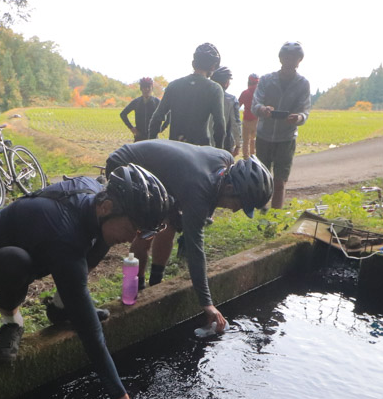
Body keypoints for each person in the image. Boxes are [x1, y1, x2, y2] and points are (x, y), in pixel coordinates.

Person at [0, 165, 171, 399]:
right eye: (134, 227)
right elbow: (90, 330)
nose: (134, 238)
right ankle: (11, 321)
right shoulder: (65, 232)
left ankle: (61, 309)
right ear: (107, 206)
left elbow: (101, 236)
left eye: (141, 232)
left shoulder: (98, 203)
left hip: (40, 244)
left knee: (102, 237)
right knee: (16, 263)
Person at [105, 142, 273, 332]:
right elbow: (195, 249)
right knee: (146, 228)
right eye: (240, 204)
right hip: (125, 163)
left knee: (169, 225)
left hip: (161, 174)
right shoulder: (199, 191)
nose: (235, 210)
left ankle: (155, 283)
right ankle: (138, 289)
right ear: (228, 188)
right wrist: (207, 303)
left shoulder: (225, 160)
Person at [252, 41, 312, 210]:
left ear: (300, 60)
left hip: (287, 137)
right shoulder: (266, 80)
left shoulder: (302, 83)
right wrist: (263, 109)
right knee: (262, 178)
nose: (289, 60)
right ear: (280, 58)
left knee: (280, 181)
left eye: (294, 57)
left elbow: (305, 110)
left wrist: (298, 117)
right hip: (264, 135)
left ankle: (275, 215)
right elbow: (255, 104)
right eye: (286, 56)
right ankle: (261, 209)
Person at [147, 42, 227, 146]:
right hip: (200, 151)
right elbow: (219, 125)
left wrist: (152, 145)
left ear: (193, 63)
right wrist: (219, 151)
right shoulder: (214, 89)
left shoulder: (173, 85)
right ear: (213, 67)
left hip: (175, 148)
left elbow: (157, 118)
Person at [119, 76, 166, 141]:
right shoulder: (136, 102)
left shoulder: (157, 102)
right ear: (141, 88)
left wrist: (161, 128)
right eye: (144, 87)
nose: (146, 89)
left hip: (153, 137)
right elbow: (123, 114)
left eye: (148, 87)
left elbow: (167, 115)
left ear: (151, 88)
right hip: (139, 137)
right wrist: (132, 128)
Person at [211, 66, 241, 154]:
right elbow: (236, 123)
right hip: (224, 143)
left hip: (203, 142)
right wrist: (238, 144)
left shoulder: (204, 95)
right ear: (226, 83)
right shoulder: (231, 100)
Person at [238, 73, 260, 159]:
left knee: (246, 141)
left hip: (246, 119)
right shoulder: (259, 93)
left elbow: (238, 105)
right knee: (253, 140)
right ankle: (254, 157)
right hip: (257, 120)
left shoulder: (245, 93)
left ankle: (246, 158)